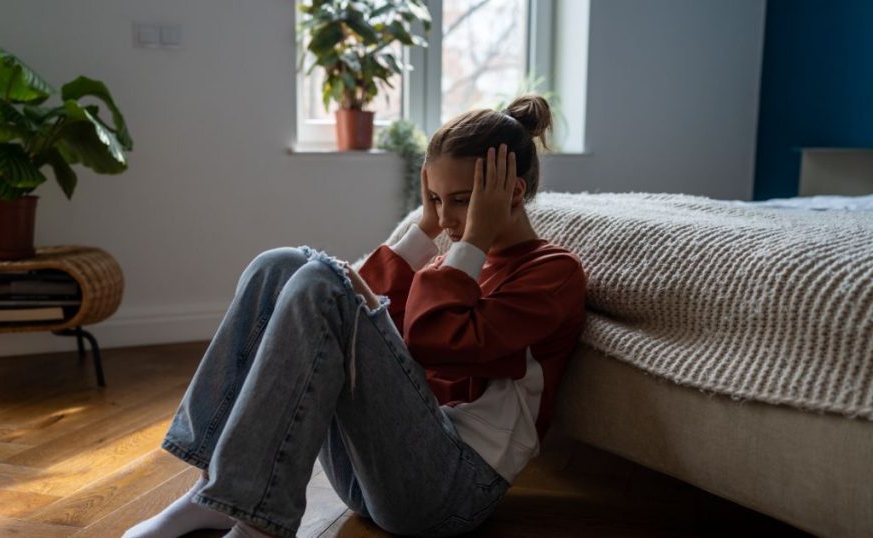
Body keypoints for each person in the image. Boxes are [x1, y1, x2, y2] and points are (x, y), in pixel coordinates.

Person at [123, 94, 586, 538]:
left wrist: (471, 244)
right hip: (370, 476)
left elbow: (437, 343)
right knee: (282, 266)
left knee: (322, 282)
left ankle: (259, 523)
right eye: (437, 201)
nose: (446, 219)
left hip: (452, 493)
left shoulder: (551, 274)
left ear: (513, 192)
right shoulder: (451, 268)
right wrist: (424, 230)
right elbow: (364, 315)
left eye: (462, 200)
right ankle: (214, 489)